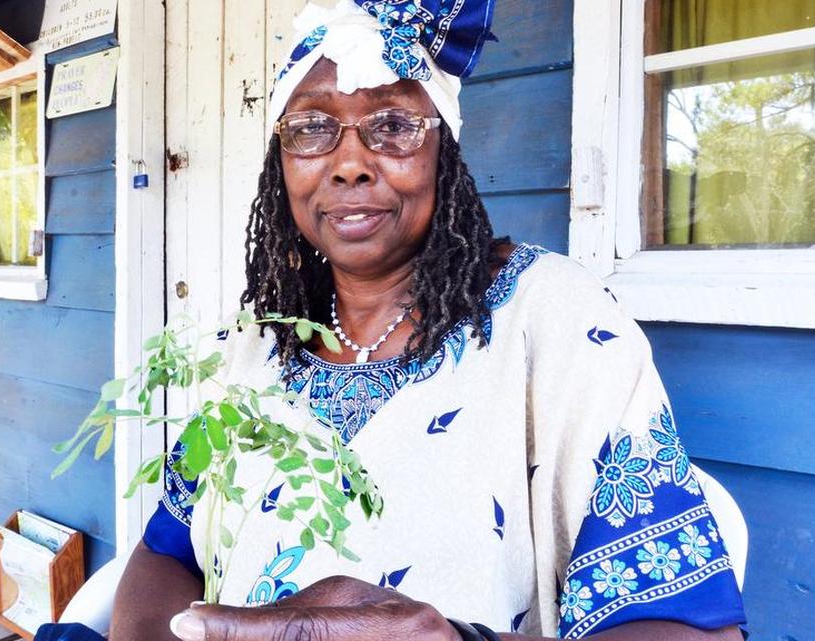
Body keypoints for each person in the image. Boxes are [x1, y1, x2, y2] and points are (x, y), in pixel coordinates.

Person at [39, 2, 747, 640]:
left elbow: (686, 625)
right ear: (281, 163)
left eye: (393, 125)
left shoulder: (556, 319)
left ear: (445, 153)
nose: (349, 162)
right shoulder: (255, 342)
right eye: (312, 127)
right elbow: (169, 546)